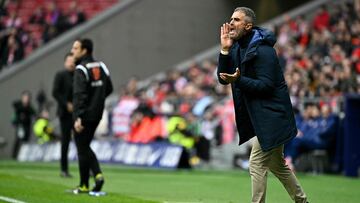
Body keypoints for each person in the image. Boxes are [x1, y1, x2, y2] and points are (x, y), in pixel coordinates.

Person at [217, 7, 308, 203]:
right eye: (231, 19)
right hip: (262, 117)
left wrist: (238, 81)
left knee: (256, 162)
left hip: (274, 116)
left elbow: (266, 86)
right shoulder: (236, 47)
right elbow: (224, 79)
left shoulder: (264, 50)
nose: (231, 23)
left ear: (248, 26)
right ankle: (302, 201)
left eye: (237, 20)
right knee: (277, 165)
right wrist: (224, 50)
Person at [71, 38, 113, 195]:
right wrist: (98, 100)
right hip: (97, 113)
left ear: (84, 51)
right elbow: (109, 88)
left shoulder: (81, 69)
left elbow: (79, 95)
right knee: (84, 146)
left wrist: (78, 116)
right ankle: (91, 180)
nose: (73, 51)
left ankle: (90, 180)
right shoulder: (101, 66)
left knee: (82, 148)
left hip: (84, 115)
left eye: (76, 48)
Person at [52, 52, 75, 178]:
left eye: (73, 61)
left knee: (82, 142)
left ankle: (88, 169)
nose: (71, 63)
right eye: (69, 61)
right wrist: (66, 104)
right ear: (65, 62)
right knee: (65, 141)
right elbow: (55, 92)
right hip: (65, 114)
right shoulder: (60, 75)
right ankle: (64, 169)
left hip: (77, 114)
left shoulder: (78, 75)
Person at [11, 90, 36, 159]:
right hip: (20, 126)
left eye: (27, 97)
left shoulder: (29, 107)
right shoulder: (18, 105)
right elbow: (15, 105)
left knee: (26, 140)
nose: (26, 99)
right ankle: (14, 156)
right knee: (18, 140)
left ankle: (24, 155)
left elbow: (34, 114)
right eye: (25, 97)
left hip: (27, 126)